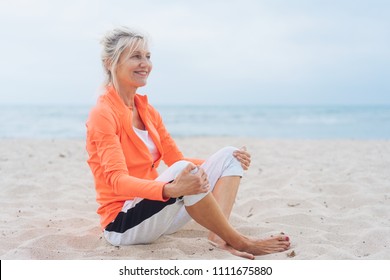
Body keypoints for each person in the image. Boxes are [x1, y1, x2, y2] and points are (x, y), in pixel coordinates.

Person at [86, 26, 290, 259]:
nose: (145, 64)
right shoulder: (103, 113)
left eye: (148, 56)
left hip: (157, 215)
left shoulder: (147, 111)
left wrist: (221, 165)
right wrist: (169, 189)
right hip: (122, 224)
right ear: (110, 62)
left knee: (228, 154)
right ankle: (239, 241)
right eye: (136, 56)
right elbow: (117, 181)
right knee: (186, 171)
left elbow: (175, 159)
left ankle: (218, 236)